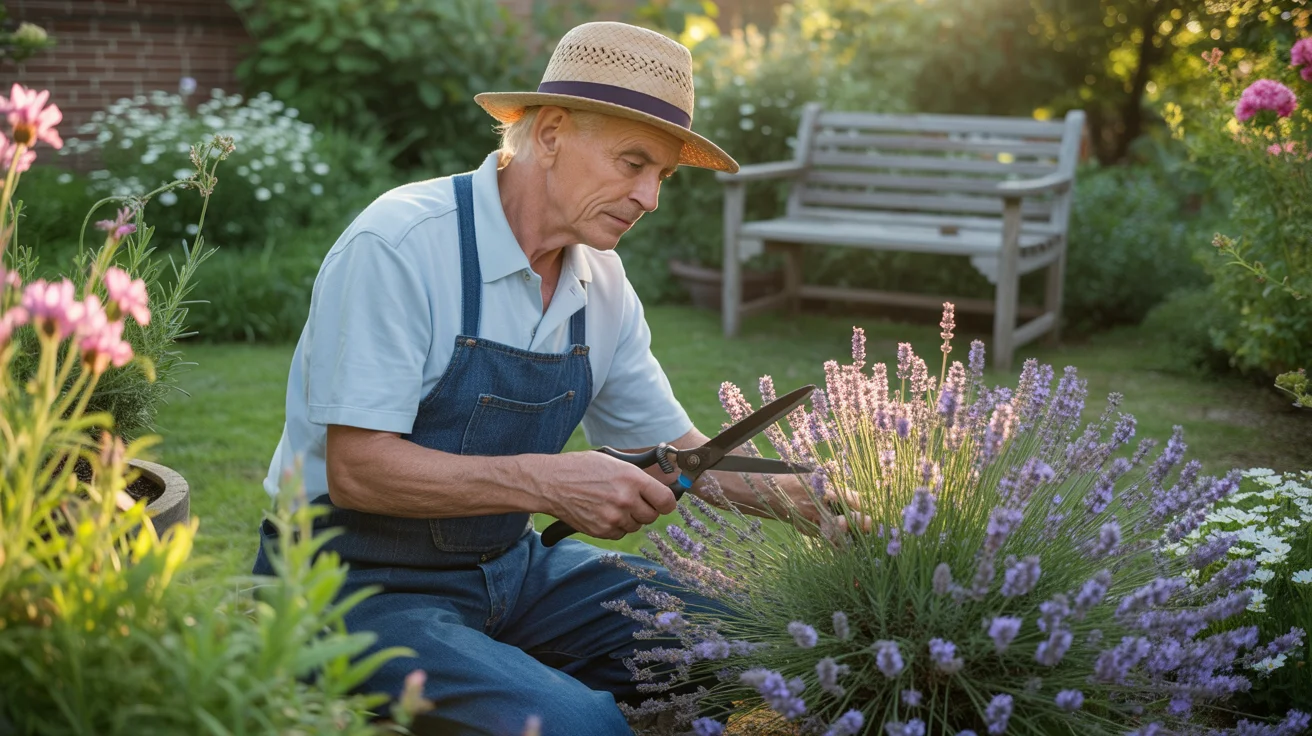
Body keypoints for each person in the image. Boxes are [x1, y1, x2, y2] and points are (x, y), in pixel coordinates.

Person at [251, 20, 823, 736]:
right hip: (348, 584)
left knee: (745, 643)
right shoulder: (399, 245)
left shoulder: (602, 284)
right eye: (633, 163)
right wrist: (550, 482)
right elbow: (359, 470)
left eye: (662, 176)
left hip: (511, 571)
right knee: (577, 726)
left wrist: (824, 505)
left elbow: (682, 452)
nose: (649, 197)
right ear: (550, 132)